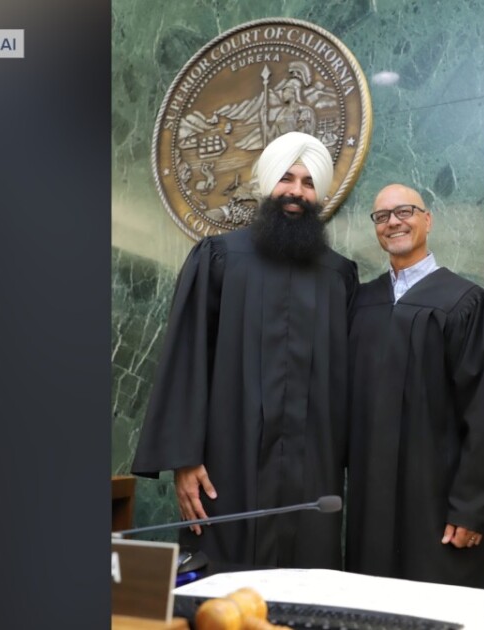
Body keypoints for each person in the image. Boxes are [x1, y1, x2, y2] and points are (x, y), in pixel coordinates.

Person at [131, 132, 358, 570]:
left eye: (309, 183)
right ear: (267, 184)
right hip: (225, 463)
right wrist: (184, 459)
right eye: (287, 179)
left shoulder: (339, 277)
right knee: (221, 590)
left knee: (306, 589)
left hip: (312, 469)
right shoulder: (219, 258)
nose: (296, 191)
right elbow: (186, 359)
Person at [346, 184, 484, 589]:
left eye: (405, 211)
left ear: (427, 219)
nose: (394, 222)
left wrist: (470, 509)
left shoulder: (466, 303)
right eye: (382, 216)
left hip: (436, 500)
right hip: (371, 499)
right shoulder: (362, 303)